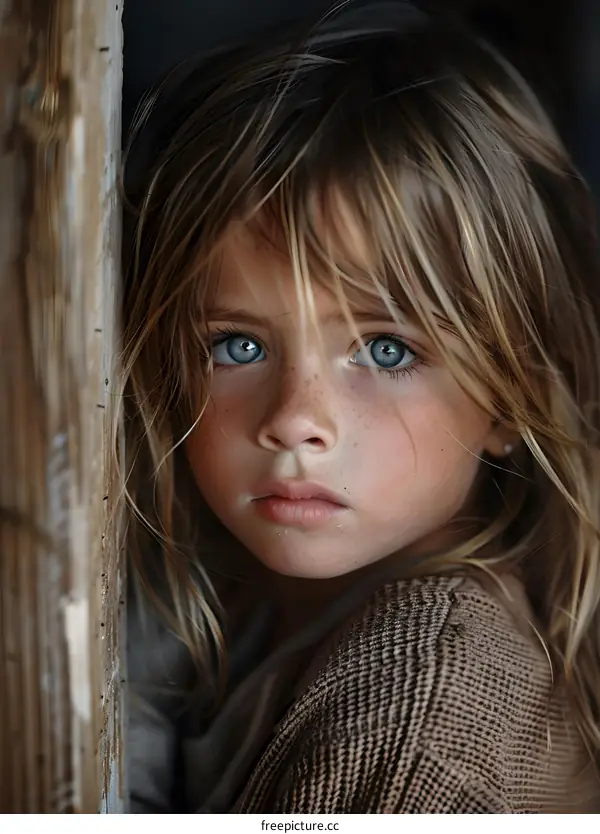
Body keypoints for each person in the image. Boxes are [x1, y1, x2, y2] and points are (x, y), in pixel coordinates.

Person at [121, 0, 600, 813]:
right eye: (237, 345)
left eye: (387, 350)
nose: (296, 420)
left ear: (513, 390)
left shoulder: (421, 719)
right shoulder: (233, 587)